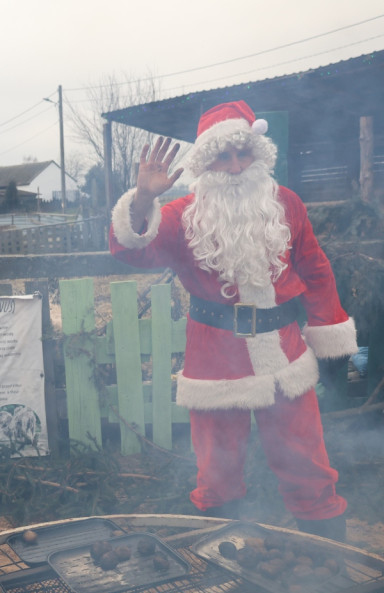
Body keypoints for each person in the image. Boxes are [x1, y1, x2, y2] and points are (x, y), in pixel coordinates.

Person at [109, 101, 356, 541]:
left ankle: (326, 560)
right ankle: (228, 565)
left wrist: (330, 336)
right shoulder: (181, 215)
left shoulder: (286, 204)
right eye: (223, 156)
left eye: (243, 153)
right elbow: (130, 250)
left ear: (258, 154)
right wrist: (145, 198)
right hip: (214, 360)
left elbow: (316, 270)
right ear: (205, 164)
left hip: (284, 354)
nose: (237, 166)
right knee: (217, 474)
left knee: (307, 462)